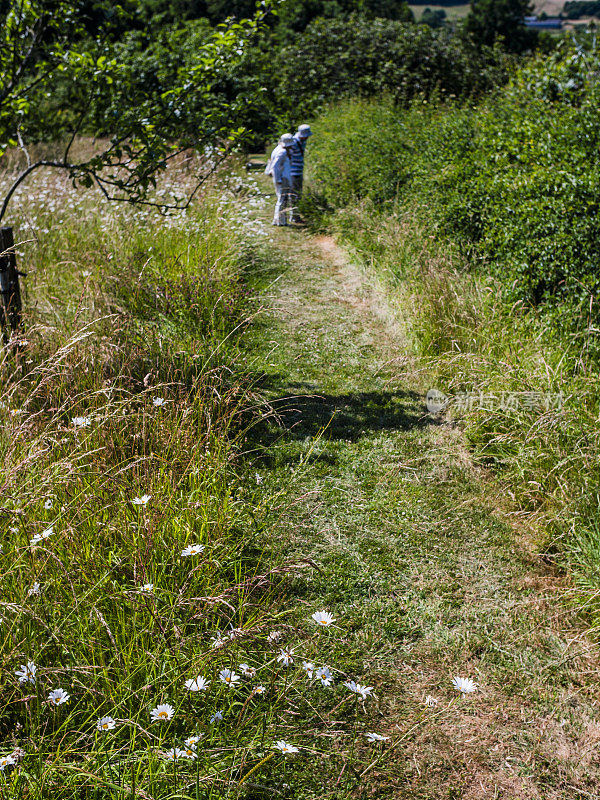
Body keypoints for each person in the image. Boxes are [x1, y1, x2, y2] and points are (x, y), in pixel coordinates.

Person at [265, 133, 295, 226]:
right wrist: (278, 179)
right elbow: (275, 166)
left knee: (281, 198)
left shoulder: (278, 149)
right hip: (283, 178)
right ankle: (281, 221)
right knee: (283, 199)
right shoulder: (282, 152)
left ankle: (278, 220)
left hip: (282, 177)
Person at [289, 124, 312, 223]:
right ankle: (294, 216)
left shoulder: (302, 141)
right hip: (293, 173)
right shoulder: (293, 142)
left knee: (298, 194)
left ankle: (295, 215)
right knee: (295, 195)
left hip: (299, 171)